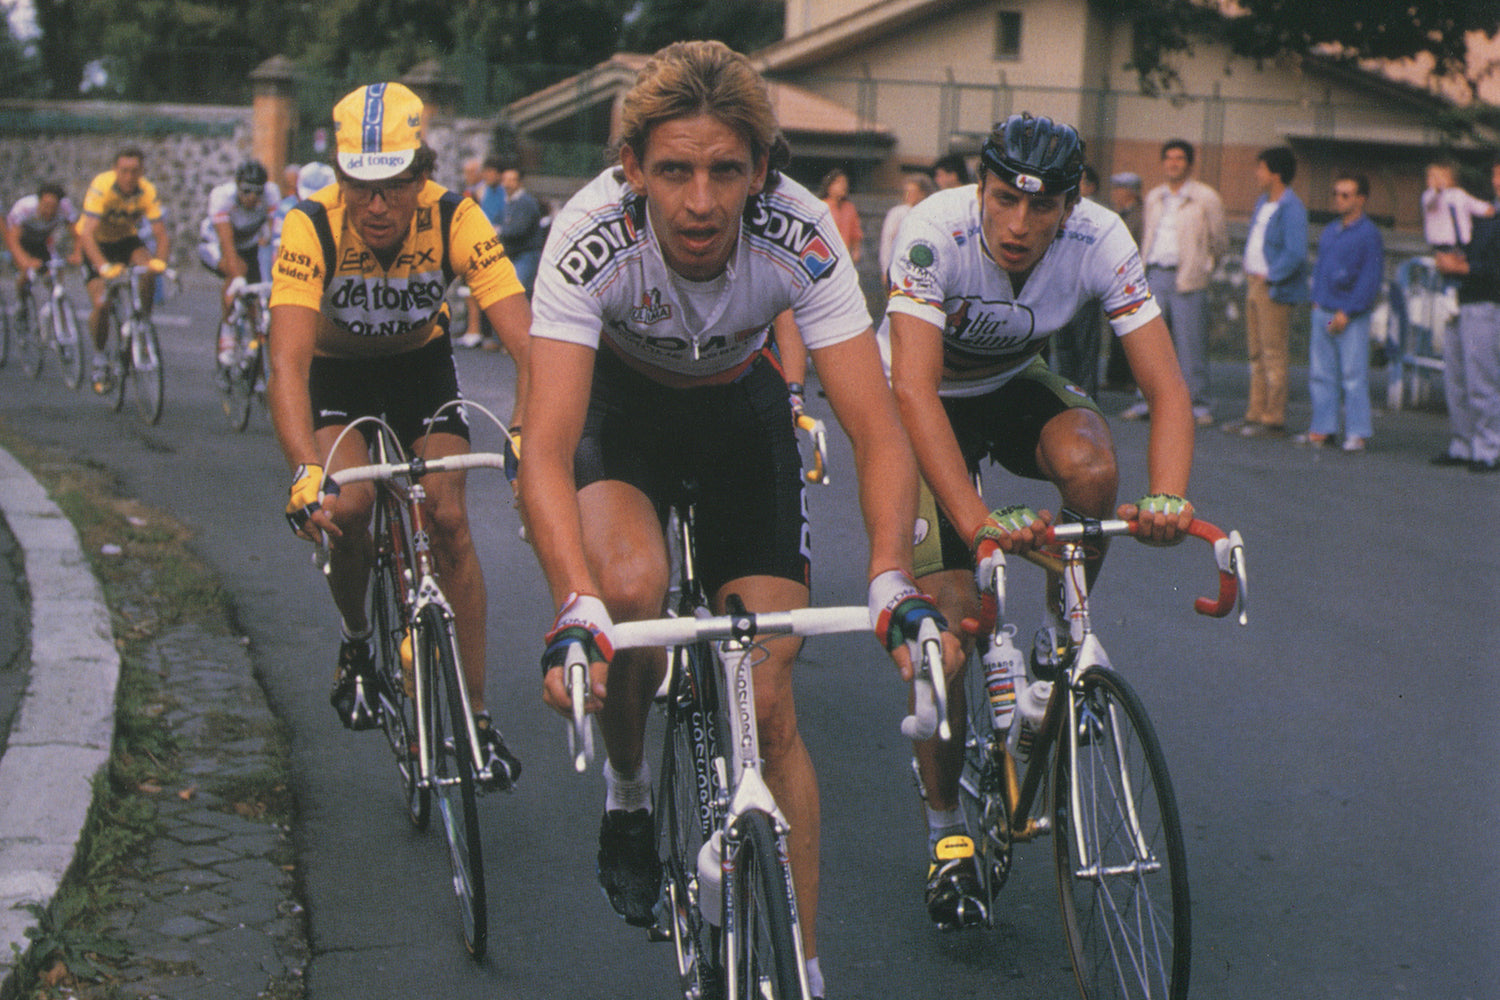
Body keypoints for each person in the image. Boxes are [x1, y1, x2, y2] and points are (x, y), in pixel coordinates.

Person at [519, 41, 938, 999]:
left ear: (761, 168)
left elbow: (878, 428)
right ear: (632, 168)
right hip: (621, 417)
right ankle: (629, 797)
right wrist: (572, 606)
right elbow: (545, 444)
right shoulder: (589, 231)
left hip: (741, 411)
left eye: (724, 170)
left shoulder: (800, 229)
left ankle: (803, 968)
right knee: (628, 598)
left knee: (770, 691)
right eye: (673, 170)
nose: (700, 201)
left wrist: (888, 578)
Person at [881, 112, 1195, 930]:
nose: (1018, 226)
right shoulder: (932, 232)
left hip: (1014, 385)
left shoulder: (1102, 237)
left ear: (1070, 205)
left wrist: (1169, 494)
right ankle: (946, 833)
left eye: (1041, 209)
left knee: (1094, 467)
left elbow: (1165, 388)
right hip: (924, 407)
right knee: (947, 635)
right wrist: (980, 519)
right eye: (1001, 202)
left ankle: (1064, 644)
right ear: (979, 189)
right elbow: (912, 392)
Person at [268, 81, 533, 788]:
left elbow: (529, 345)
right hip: (338, 377)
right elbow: (288, 363)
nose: (377, 205)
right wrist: (304, 470)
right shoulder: (310, 224)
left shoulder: (456, 216)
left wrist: (523, 430)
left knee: (448, 521)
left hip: (420, 371)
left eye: (395, 185)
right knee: (347, 509)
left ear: (422, 173)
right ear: (341, 174)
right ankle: (358, 642)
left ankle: (475, 722)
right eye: (361, 185)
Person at [1121, 139, 1227, 426]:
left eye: (1179, 158)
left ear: (1189, 164)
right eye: (1168, 158)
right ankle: (1147, 402)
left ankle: (1198, 406)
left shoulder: (1206, 197)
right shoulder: (1155, 197)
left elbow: (1219, 240)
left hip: (1187, 278)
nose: (1173, 163)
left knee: (1190, 343)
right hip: (1155, 274)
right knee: (1151, 343)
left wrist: (1203, 267)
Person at [1222, 146, 1308, 438]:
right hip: (1253, 283)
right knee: (1255, 352)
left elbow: (1296, 253)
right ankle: (1255, 412)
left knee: (1273, 352)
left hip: (1273, 287)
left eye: (1261, 169)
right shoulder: (1263, 202)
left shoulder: (1292, 208)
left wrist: (1272, 275)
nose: (1257, 174)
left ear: (1276, 173)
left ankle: (1274, 416)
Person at [1295, 172, 1384, 452]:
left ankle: (1357, 431)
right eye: (1336, 194)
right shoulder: (1332, 230)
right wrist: (1317, 300)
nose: (1338, 200)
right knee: (1322, 372)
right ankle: (1323, 427)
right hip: (1325, 309)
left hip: (1349, 314)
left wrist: (1349, 309)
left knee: (1352, 373)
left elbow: (1370, 277)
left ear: (1361, 199)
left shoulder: (1369, 234)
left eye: (1345, 195)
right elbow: (1321, 267)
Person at [77, 146, 171, 394]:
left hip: (125, 240)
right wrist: (103, 266)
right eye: (124, 171)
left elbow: (161, 234)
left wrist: (160, 261)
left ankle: (143, 321)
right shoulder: (102, 186)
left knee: (148, 268)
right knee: (101, 303)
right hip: (97, 244)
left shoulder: (147, 190)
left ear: (142, 171)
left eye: (135, 171)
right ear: (115, 170)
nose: (129, 176)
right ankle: (99, 356)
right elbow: (87, 234)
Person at [1431, 153, 1500, 473]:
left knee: (1482, 380)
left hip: (1487, 302)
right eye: (1495, 175)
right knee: (1455, 377)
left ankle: (1489, 447)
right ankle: (1462, 442)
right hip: (1459, 298)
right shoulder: (1484, 214)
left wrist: (1465, 266)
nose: (1497, 182)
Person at [198, 159, 281, 367]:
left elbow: (274, 240)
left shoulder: (272, 194)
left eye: (257, 191)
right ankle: (228, 331)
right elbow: (227, 245)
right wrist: (238, 278)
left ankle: (259, 370)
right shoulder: (222, 197)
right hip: (216, 245)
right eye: (246, 190)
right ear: (237, 186)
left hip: (247, 246)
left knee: (257, 303)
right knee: (238, 273)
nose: (252, 197)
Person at [458, 155, 510, 349]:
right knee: (469, 288)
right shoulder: (480, 191)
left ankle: (486, 333)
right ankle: (473, 329)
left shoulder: (500, 192)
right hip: (478, 241)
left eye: (473, 172)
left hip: (497, 244)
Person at [1102, 171, 1144, 390]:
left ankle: (1129, 378)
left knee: (1131, 329)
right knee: (1115, 328)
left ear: (1131, 192)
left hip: (1132, 277)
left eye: (1119, 189)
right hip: (1115, 278)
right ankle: (1115, 376)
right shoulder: (1117, 213)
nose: (1114, 194)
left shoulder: (1141, 215)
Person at [5, 182, 80, 297]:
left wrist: (77, 253)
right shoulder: (24, 208)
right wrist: (25, 261)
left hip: (42, 242)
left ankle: (56, 305)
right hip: (21, 242)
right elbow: (13, 240)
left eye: (53, 207)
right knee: (26, 273)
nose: (49, 211)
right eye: (45, 206)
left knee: (55, 274)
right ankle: (22, 304)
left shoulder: (65, 207)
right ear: (39, 201)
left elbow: (77, 234)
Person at [879, 173, 937, 288]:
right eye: (906, 191)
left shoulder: (930, 213)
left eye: (913, 191)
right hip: (898, 267)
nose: (908, 195)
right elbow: (887, 242)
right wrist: (885, 269)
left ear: (922, 193)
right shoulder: (896, 213)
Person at [1422, 159, 1493, 252]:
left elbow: (1477, 206)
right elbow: (1430, 205)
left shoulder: (1459, 194)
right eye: (1433, 177)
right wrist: (1437, 191)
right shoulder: (1429, 195)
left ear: (1452, 179)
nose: (1437, 180)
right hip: (1441, 243)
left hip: (1463, 243)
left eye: (1441, 176)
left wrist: (1490, 210)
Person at [497, 165, 544, 297]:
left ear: (519, 182)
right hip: (513, 255)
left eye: (512, 180)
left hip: (527, 255)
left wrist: (499, 231)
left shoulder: (526, 202)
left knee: (519, 292)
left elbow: (518, 229)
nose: (507, 184)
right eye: (505, 180)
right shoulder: (507, 202)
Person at [818, 166, 863, 263]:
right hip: (824, 256)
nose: (844, 186)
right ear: (829, 186)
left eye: (845, 182)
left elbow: (856, 233)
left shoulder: (849, 208)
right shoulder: (822, 206)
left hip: (844, 257)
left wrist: (856, 251)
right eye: (839, 182)